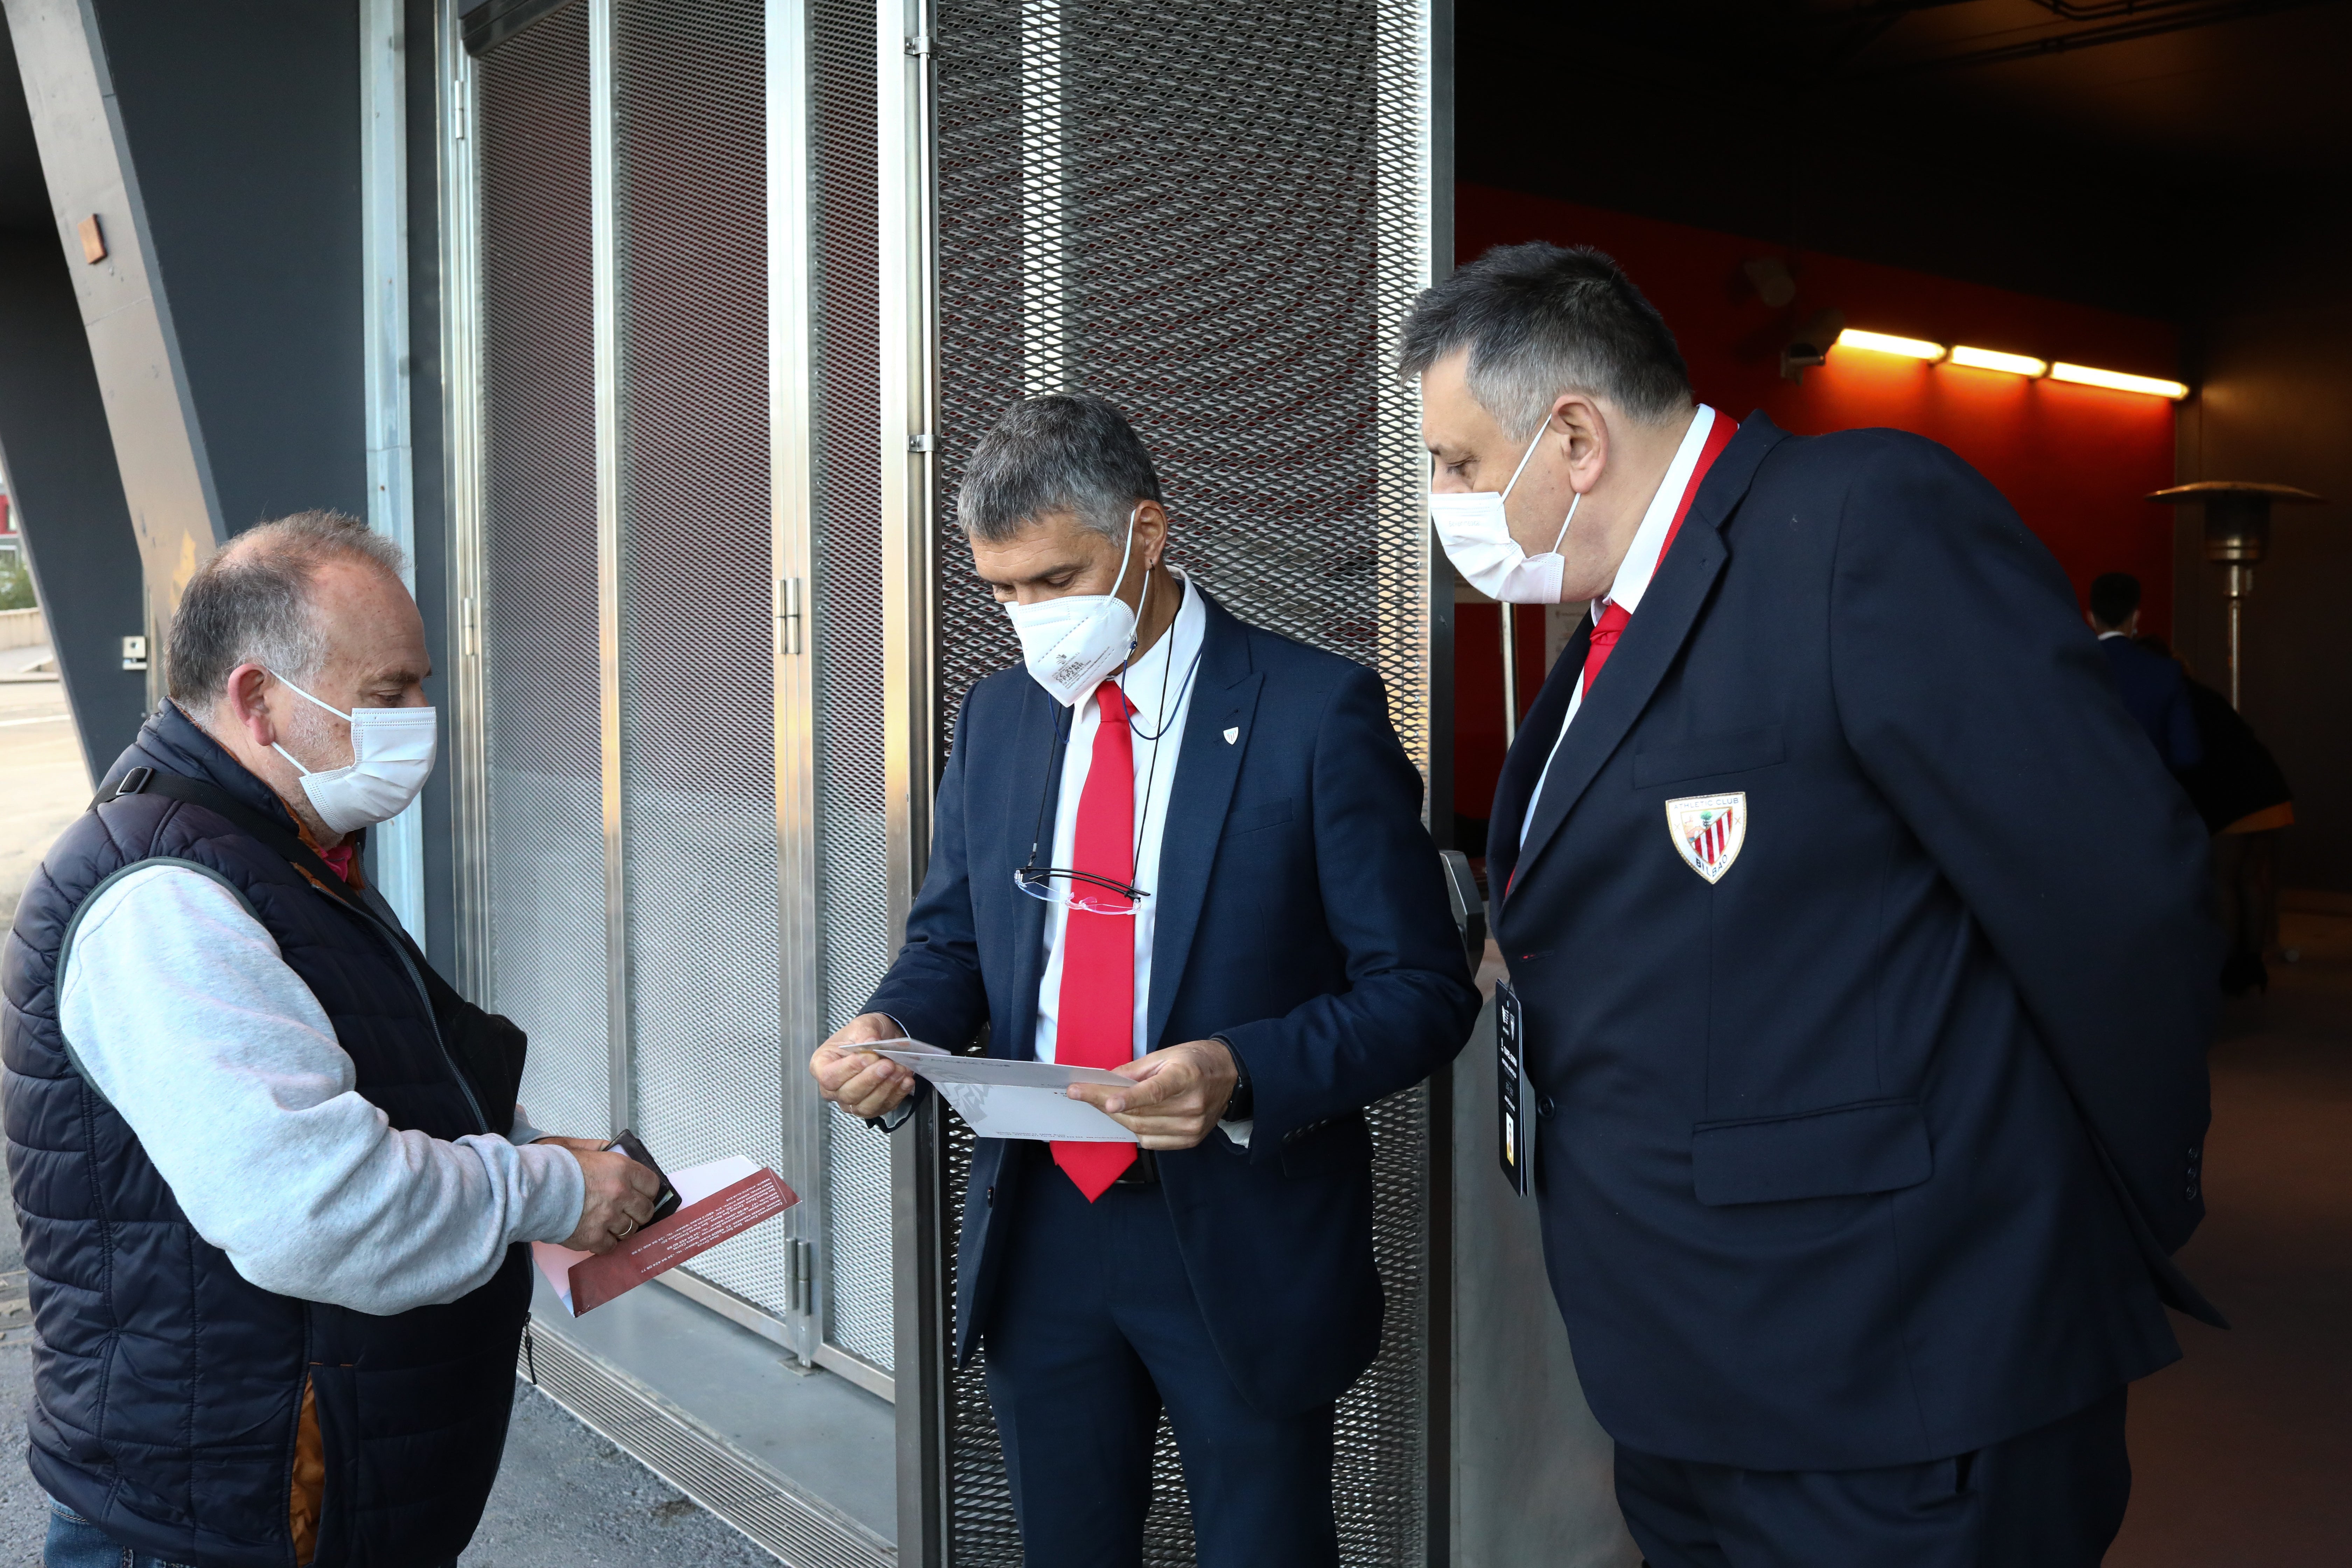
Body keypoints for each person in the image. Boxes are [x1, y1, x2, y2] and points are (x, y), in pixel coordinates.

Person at [1401, 243, 2218, 1568]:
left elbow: (2117, 895)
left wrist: (2093, 1212)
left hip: (1893, 1379)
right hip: (1691, 1379)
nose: (1440, 501)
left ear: (1573, 436)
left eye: (1453, 463)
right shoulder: (1611, 625)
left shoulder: (1856, 522)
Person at [806, 394, 1478, 1568]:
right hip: (1042, 1224)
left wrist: (1239, 1071)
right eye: (1004, 592)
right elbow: (954, 941)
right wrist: (891, 1025)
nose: (1030, 620)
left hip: (1242, 1229)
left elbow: (1423, 990)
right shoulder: (1001, 716)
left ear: (1149, 535)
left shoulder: (1313, 715)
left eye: (1056, 580)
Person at [2, 513, 661, 1568]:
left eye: (423, 684)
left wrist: (546, 1152)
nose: (422, 718)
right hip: (220, 1520)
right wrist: (547, 1188)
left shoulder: (281, 849)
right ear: (258, 700)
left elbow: (376, 1075)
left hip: (298, 1496)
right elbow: (313, 1206)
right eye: (390, 690)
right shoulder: (167, 897)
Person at [2141, 635, 2294, 995]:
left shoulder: (2174, 699)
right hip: (2270, 793)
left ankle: (2226, 967)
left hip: (2232, 801)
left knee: (2222, 881)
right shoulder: (2203, 694)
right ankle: (2253, 964)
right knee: (2250, 879)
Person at [2087, 571, 2200, 769]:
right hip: (2151, 795)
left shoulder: (2072, 669)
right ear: (2136, 617)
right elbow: (2187, 755)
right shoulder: (2166, 672)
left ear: (2091, 619)